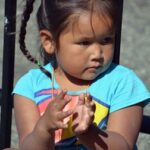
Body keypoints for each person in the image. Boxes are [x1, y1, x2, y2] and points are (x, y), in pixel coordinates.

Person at [8, 0, 150, 150]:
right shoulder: (30, 86)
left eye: (106, 40)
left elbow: (124, 146)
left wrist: (88, 132)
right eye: (84, 42)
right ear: (49, 41)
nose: (97, 54)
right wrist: (44, 129)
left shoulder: (123, 82)